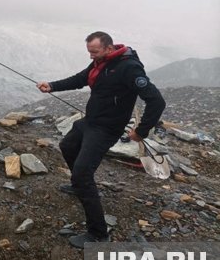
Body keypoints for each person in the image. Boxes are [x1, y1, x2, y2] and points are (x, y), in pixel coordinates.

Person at [37, 31, 165, 249]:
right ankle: (79, 186)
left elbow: (157, 101)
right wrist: (52, 86)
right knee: (67, 145)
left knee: (82, 173)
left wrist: (141, 131)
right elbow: (81, 79)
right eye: (89, 52)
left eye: (94, 52)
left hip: (106, 129)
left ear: (108, 48)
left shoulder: (129, 68)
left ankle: (98, 234)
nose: (90, 56)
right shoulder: (101, 62)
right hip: (91, 122)